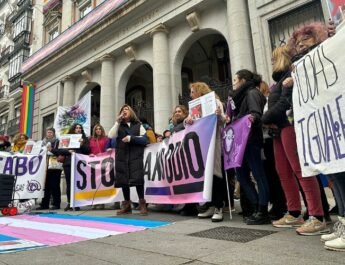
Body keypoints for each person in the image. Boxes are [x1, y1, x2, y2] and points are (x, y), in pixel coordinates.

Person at [284, 22, 338, 238]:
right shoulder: (297, 65)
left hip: (331, 118)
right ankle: (340, 222)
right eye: (297, 43)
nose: (300, 45)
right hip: (312, 121)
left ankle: (323, 217)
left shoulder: (328, 50)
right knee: (333, 172)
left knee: (339, 171)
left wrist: (333, 37)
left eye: (305, 40)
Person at [229, 70, 270, 225]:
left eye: (235, 80)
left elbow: (255, 114)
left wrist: (241, 119)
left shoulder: (252, 93)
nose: (233, 83)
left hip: (251, 140)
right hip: (241, 142)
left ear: (243, 80)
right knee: (241, 176)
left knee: (258, 175)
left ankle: (262, 209)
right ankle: (256, 207)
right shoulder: (240, 97)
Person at [185, 82, 226, 222]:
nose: (190, 95)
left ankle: (219, 207)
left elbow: (223, 121)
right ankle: (210, 205)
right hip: (200, 144)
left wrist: (219, 115)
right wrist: (188, 121)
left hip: (214, 142)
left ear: (199, 91)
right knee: (204, 176)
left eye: (192, 91)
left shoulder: (216, 102)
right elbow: (188, 125)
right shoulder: (194, 108)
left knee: (215, 174)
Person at [108, 104, 148, 215]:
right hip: (122, 156)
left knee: (138, 180)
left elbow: (145, 140)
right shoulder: (119, 125)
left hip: (135, 156)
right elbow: (111, 136)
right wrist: (117, 122)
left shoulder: (138, 125)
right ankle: (126, 206)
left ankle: (142, 204)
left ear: (131, 112)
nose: (124, 111)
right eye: (122, 110)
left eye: (126, 109)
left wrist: (131, 138)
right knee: (124, 180)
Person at [52, 123, 90, 211]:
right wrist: (68, 151)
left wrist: (82, 144)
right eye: (76, 128)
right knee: (69, 183)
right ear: (73, 129)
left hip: (80, 164)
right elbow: (59, 150)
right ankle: (70, 203)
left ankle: (77, 203)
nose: (78, 129)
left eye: (80, 128)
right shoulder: (67, 138)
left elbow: (87, 150)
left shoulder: (84, 139)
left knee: (78, 184)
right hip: (68, 164)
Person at [37, 128, 62, 210]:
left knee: (55, 185)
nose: (49, 134)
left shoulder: (57, 141)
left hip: (55, 166)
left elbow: (60, 152)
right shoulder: (42, 142)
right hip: (44, 166)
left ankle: (56, 204)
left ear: (54, 134)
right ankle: (44, 204)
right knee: (46, 186)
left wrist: (51, 150)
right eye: (48, 132)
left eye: (51, 132)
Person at [89, 124, 110, 210]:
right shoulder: (91, 140)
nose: (98, 130)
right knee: (94, 184)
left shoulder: (106, 139)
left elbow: (108, 148)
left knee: (102, 184)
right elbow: (89, 150)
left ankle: (102, 203)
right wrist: (90, 154)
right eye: (96, 129)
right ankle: (95, 202)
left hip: (104, 164)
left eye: (100, 129)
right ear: (94, 131)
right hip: (94, 164)